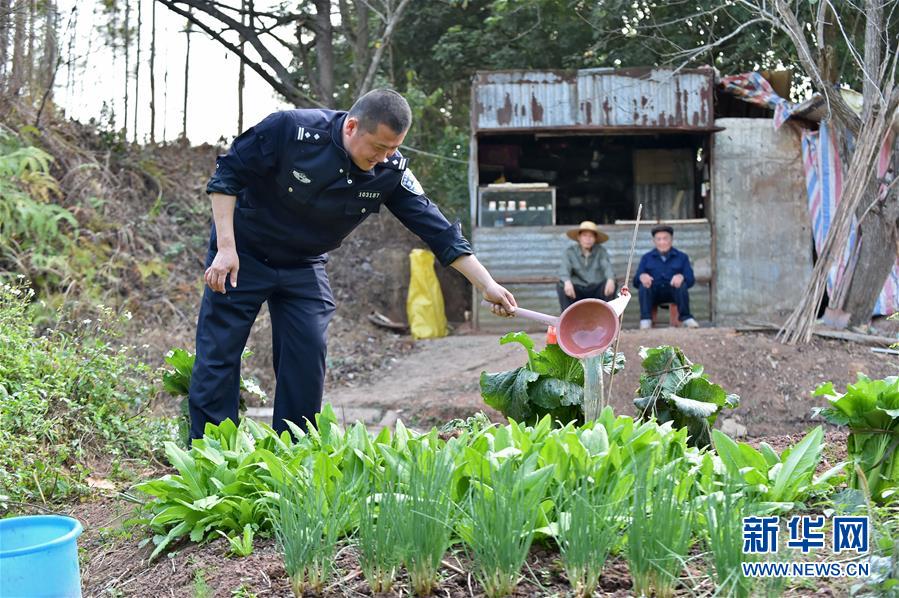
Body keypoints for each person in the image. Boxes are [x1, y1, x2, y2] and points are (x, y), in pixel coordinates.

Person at [189, 89, 516, 440]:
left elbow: (438, 230)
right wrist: (226, 248)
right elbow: (227, 174)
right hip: (243, 254)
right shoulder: (291, 130)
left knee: (307, 352)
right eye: (379, 147)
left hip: (303, 263)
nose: (384, 157)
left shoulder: (389, 169)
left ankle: (293, 450)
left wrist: (487, 284)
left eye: (393, 148)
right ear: (352, 127)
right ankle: (211, 451)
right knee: (219, 352)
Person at [633, 224, 699, 329]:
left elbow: (691, 279)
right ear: (654, 241)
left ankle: (686, 318)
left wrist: (682, 277)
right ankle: (645, 320)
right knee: (643, 286)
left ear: (671, 240)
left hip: (674, 294)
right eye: (658, 239)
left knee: (682, 285)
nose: (662, 242)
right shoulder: (646, 258)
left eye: (665, 238)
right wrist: (642, 277)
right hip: (653, 294)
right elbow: (635, 281)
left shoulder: (682, 257)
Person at [557, 220, 616, 310]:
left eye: (591, 236)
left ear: (595, 239)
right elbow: (564, 269)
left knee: (611, 284)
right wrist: (567, 282)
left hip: (596, 289)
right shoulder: (570, 252)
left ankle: (607, 316)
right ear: (579, 237)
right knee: (562, 285)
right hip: (577, 290)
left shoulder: (601, 251)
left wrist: (610, 279)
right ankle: (567, 318)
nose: (588, 239)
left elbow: (607, 267)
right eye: (585, 235)